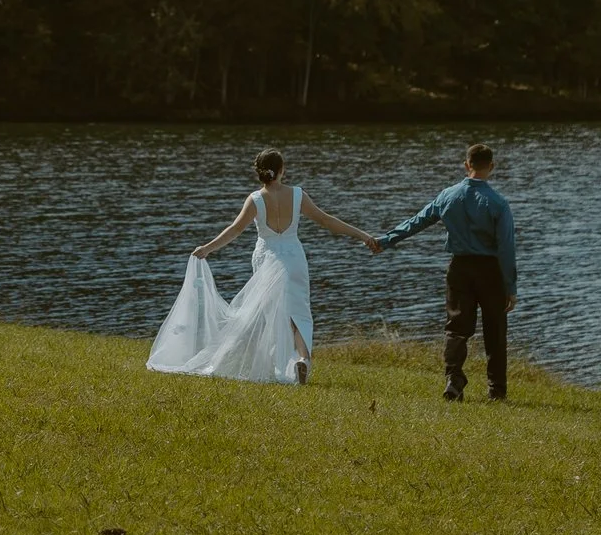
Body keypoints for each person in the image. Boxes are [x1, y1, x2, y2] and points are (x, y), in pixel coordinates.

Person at [148, 149, 377, 386]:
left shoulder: (256, 199)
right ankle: (302, 359)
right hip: (293, 259)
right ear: (281, 171)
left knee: (273, 314)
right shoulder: (298, 195)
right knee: (298, 311)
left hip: (266, 257)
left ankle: (271, 361)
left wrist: (208, 247)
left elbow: (235, 230)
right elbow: (327, 220)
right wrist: (362, 235)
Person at [374, 142, 518, 402]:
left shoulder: (448, 196)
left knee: (456, 327)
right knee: (494, 330)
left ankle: (454, 378)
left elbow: (416, 222)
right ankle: (496, 391)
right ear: (491, 167)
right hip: (490, 271)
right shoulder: (498, 203)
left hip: (459, 268)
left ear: (466, 165)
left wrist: (386, 240)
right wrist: (511, 287)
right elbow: (507, 249)